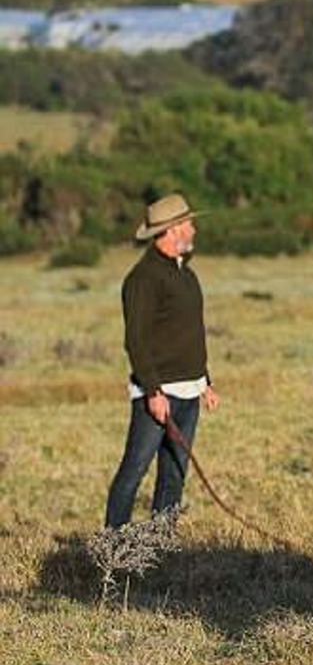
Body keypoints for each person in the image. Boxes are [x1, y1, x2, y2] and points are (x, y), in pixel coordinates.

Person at [105, 194, 220, 529]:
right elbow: (136, 341)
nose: (194, 230)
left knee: (174, 475)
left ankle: (160, 547)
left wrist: (205, 382)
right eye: (188, 224)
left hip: (188, 393)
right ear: (172, 231)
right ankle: (114, 545)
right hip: (158, 396)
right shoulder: (143, 279)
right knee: (134, 471)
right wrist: (153, 391)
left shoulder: (186, 275)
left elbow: (188, 336)